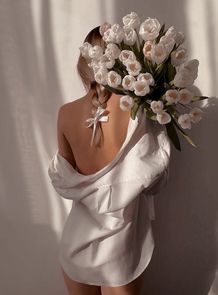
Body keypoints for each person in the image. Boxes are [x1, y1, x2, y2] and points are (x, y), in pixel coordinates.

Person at [48, 26, 171, 295]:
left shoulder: (65, 114)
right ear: (126, 59)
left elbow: (64, 180)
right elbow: (155, 178)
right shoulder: (139, 111)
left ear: (84, 62)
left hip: (76, 242)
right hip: (121, 243)